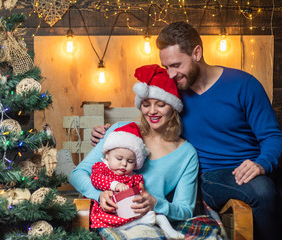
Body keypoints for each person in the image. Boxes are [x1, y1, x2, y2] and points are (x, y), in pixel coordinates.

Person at [91, 22, 282, 239]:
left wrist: (261, 164)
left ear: (196, 53)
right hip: (214, 175)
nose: (170, 74)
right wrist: (112, 132)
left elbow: (272, 135)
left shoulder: (244, 84)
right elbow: (152, 115)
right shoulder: (176, 94)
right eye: (166, 67)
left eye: (176, 65)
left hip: (260, 169)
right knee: (262, 190)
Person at [70, 64, 199, 238]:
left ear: (173, 107)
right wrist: (99, 195)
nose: (152, 111)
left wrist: (155, 203)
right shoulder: (121, 130)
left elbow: (185, 211)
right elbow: (78, 174)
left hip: (149, 222)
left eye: (161, 104)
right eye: (146, 105)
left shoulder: (186, 153)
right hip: (108, 218)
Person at [90, 121, 184, 239]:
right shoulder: (102, 168)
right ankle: (133, 223)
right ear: (107, 155)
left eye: (130, 161)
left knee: (160, 217)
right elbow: (96, 179)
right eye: (119, 158)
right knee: (109, 220)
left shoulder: (134, 178)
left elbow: (139, 195)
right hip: (107, 210)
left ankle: (171, 233)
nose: (124, 164)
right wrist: (115, 185)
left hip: (129, 210)